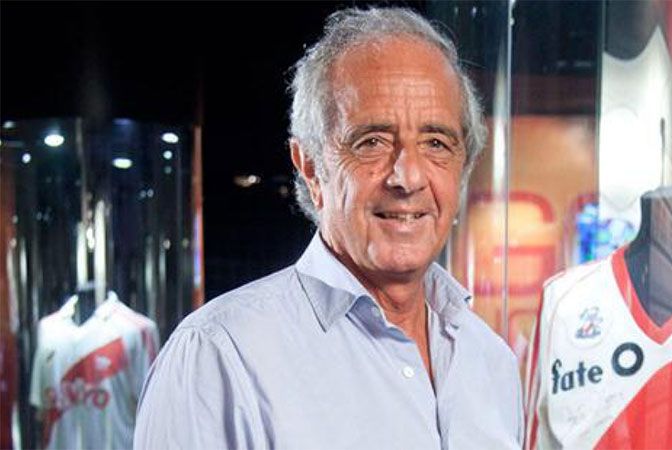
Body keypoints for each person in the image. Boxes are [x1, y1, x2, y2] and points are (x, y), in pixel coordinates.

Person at [134, 7, 522, 449]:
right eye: (372, 142)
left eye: (436, 143)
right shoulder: (218, 357)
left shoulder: (491, 362)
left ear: (463, 166)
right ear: (311, 167)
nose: (408, 177)